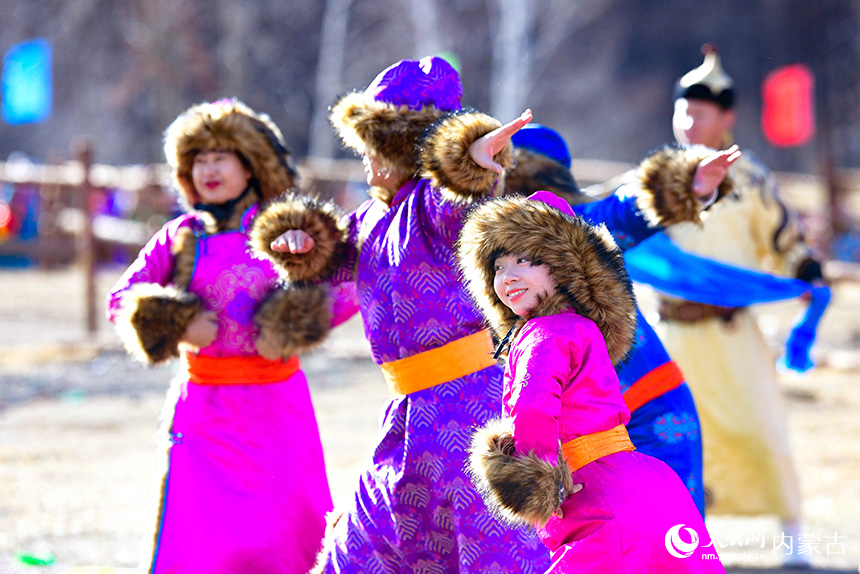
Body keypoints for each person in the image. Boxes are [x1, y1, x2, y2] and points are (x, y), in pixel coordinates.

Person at [251, 55, 552, 574]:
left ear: (401, 149)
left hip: (474, 410)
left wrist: (471, 162)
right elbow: (328, 259)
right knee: (363, 551)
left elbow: (458, 198)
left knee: (493, 552)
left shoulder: (433, 207)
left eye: (374, 145)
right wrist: (298, 243)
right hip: (408, 416)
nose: (364, 159)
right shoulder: (370, 217)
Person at [106, 99, 358, 574]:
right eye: (197, 160)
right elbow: (122, 298)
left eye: (221, 157)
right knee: (200, 536)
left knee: (286, 533)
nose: (208, 169)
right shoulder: (180, 237)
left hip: (278, 409)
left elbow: (345, 286)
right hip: (204, 411)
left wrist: (292, 324)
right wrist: (174, 321)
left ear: (251, 166)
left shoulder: (285, 231)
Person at [457, 190, 726, 573]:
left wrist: (539, 483)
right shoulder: (583, 329)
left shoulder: (542, 333)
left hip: (597, 497)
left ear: (565, 267)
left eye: (524, 260)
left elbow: (533, 407)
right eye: (497, 266)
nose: (508, 275)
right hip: (652, 484)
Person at [506, 123, 741, 517]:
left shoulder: (581, 231)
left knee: (672, 538)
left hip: (653, 410)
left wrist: (691, 186)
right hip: (589, 431)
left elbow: (629, 210)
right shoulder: (493, 266)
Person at [649, 46, 826, 566]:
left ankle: (793, 538)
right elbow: (618, 225)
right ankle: (681, 547)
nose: (689, 121)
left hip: (732, 332)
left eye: (700, 112)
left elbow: (784, 239)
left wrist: (806, 271)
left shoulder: (750, 178)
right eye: (683, 111)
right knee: (671, 436)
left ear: (726, 117)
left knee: (760, 431)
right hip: (669, 333)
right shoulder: (655, 177)